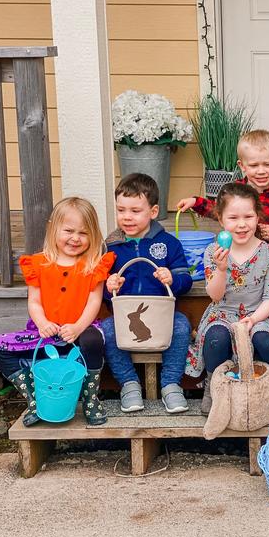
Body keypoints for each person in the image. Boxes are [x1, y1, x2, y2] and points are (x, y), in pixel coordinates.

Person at [0, 197, 115, 426]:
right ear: (53, 229)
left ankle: (89, 398)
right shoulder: (38, 264)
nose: (75, 238)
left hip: (80, 332)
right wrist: (43, 323)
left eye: (83, 233)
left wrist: (77, 327)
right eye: (68, 231)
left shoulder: (94, 265)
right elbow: (34, 302)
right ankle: (37, 400)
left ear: (93, 235)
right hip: (44, 335)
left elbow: (93, 302)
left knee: (94, 340)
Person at [176, 129, 269, 343]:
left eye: (267, 164)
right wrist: (195, 202)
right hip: (237, 258)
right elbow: (217, 208)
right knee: (224, 283)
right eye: (254, 165)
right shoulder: (237, 191)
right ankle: (210, 324)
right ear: (242, 166)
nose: (261, 171)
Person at [193, 183, 269, 415]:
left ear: (258, 217)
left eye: (248, 216)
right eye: (233, 217)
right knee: (216, 337)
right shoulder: (212, 252)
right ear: (221, 219)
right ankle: (213, 386)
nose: (241, 224)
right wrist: (221, 268)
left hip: (258, 313)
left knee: (264, 339)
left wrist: (252, 319)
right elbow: (215, 296)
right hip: (222, 312)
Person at [101, 173, 193, 414]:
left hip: (162, 315)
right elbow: (100, 290)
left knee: (182, 325)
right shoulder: (111, 247)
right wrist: (109, 286)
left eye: (135, 211)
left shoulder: (168, 244)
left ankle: (171, 384)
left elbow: (186, 280)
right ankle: (129, 384)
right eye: (121, 210)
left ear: (153, 212)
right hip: (124, 317)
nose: (127, 217)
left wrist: (173, 278)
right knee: (107, 329)